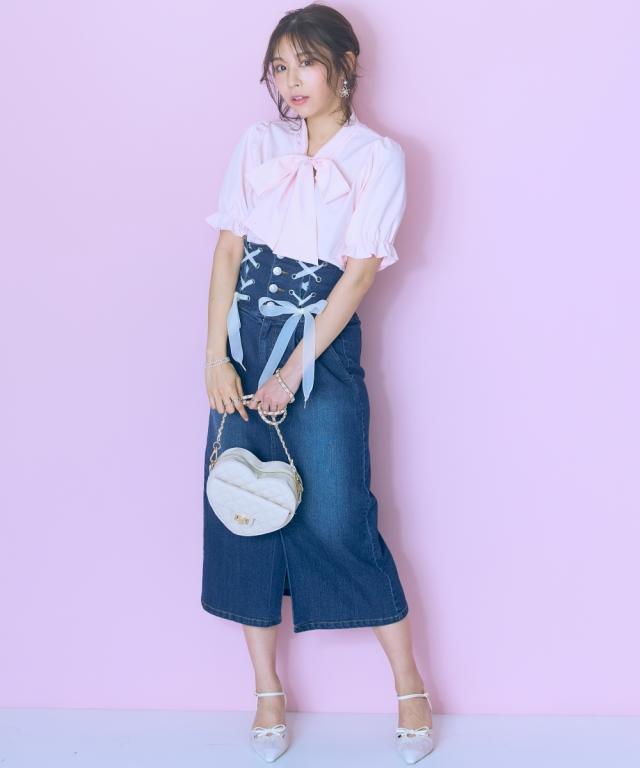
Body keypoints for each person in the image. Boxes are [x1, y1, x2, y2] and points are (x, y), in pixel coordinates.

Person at [201, 4, 435, 763]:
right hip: (243, 340)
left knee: (338, 514)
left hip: (318, 345)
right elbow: (229, 250)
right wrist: (215, 357)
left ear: (345, 66)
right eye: (279, 66)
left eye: (305, 62)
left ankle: (410, 686)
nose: (290, 80)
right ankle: (267, 691)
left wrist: (293, 370)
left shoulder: (378, 156)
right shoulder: (258, 142)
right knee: (242, 507)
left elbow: (359, 274)